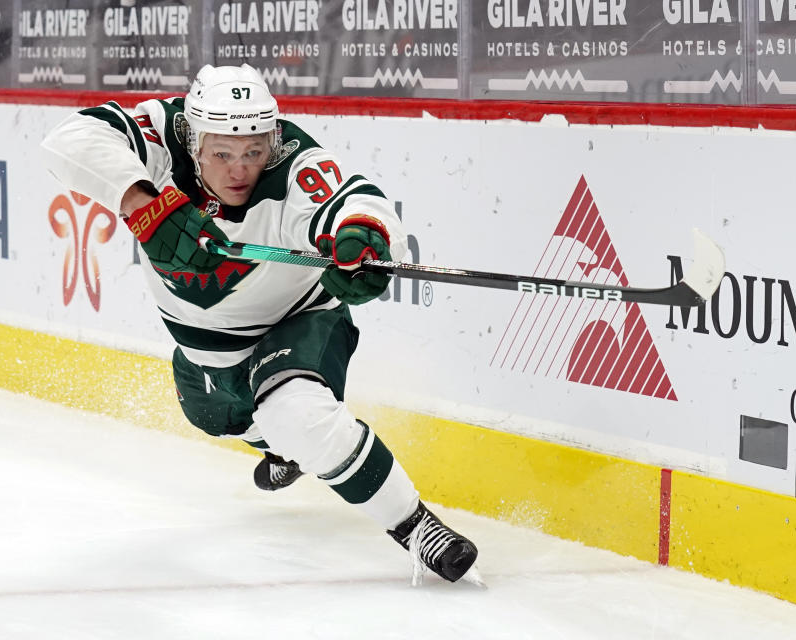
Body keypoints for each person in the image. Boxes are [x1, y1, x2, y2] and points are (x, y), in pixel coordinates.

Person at [41, 64, 478, 583]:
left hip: (298, 322)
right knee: (214, 415)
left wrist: (364, 238)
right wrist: (141, 203)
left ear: (271, 138)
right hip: (207, 354)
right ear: (193, 138)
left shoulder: (294, 166)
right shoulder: (161, 133)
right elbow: (67, 139)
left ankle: (414, 526)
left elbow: (356, 203)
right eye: (222, 154)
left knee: (296, 413)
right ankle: (280, 448)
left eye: (253, 152)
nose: (239, 171)